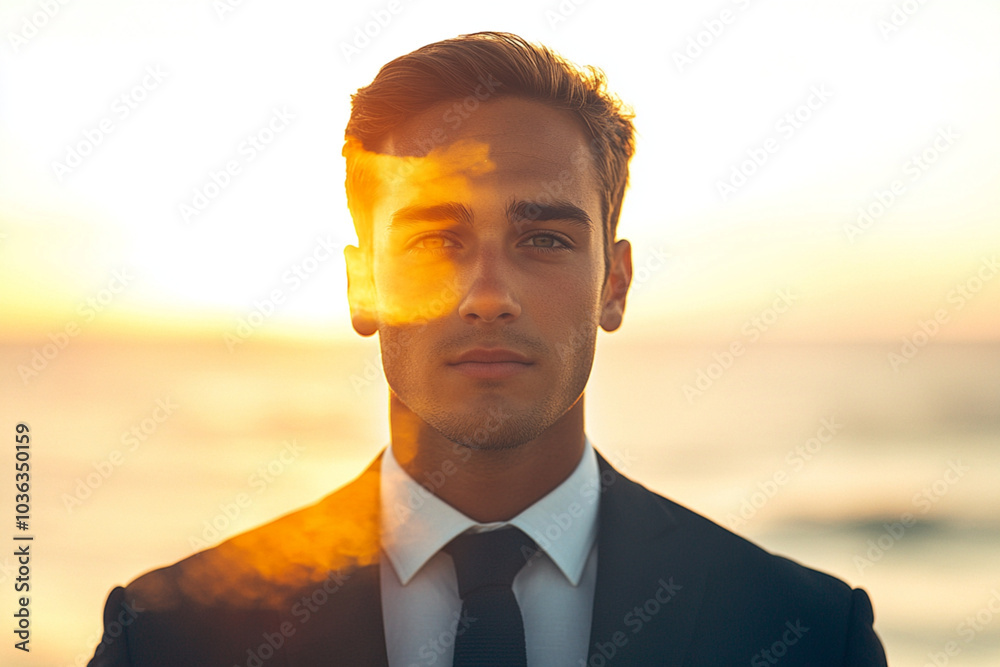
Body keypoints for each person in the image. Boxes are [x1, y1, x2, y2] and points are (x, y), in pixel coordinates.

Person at [87, 31, 888, 666]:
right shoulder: (169, 638)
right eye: (438, 238)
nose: (488, 294)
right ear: (363, 286)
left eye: (543, 237)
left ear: (615, 282)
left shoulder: (806, 635)